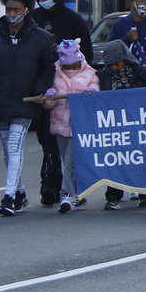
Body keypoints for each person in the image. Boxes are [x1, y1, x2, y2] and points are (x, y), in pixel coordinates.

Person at [0, 0, 56, 216]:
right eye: (8, 10)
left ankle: (9, 196)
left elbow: (47, 68)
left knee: (14, 146)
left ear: (26, 9)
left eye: (16, 10)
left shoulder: (40, 38)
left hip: (26, 101)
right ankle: (19, 192)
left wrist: (40, 89)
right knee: (8, 151)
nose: (11, 14)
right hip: (1, 103)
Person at [30, 0, 92, 207]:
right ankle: (50, 184)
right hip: (43, 85)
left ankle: (73, 188)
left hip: (70, 88)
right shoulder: (33, 17)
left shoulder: (73, 19)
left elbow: (87, 53)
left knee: (70, 145)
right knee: (47, 138)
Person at [34, 40, 99, 214]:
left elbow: (97, 96)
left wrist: (92, 94)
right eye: (67, 66)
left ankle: (66, 195)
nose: (70, 68)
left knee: (69, 163)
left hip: (80, 126)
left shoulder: (90, 74)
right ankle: (79, 193)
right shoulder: (54, 73)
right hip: (59, 125)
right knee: (67, 161)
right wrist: (49, 97)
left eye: (73, 65)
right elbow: (47, 106)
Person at [95, 39, 146, 210]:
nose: (114, 68)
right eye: (111, 65)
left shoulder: (141, 73)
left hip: (139, 124)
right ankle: (113, 197)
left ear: (126, 58)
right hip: (115, 126)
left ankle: (143, 193)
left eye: (117, 63)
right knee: (116, 162)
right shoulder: (103, 76)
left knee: (140, 160)